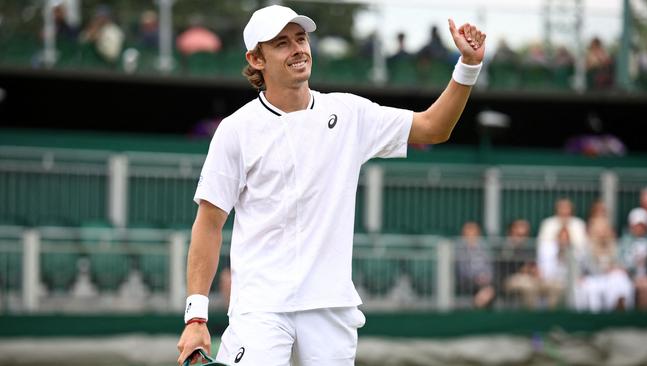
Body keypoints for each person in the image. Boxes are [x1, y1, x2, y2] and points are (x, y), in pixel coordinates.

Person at [176, 5, 486, 365]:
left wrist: (469, 66)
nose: (297, 49)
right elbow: (209, 224)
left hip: (331, 307)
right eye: (281, 43)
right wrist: (196, 317)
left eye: (301, 39)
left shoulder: (350, 113)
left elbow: (434, 127)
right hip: (260, 308)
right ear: (256, 59)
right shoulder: (236, 130)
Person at [500, 219, 541, 309]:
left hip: (531, 279)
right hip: (509, 280)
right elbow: (505, 268)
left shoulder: (529, 247)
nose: (521, 238)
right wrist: (522, 270)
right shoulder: (505, 247)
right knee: (529, 286)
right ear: (511, 232)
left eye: (524, 235)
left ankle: (551, 318)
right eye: (518, 235)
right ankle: (531, 317)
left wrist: (534, 271)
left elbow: (534, 267)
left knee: (555, 287)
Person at [454, 221, 495, 309]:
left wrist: (487, 276)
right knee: (489, 290)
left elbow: (489, 266)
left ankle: (477, 305)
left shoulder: (484, 247)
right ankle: (477, 307)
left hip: (486, 281)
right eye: (467, 232)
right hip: (466, 281)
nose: (470, 235)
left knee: (490, 288)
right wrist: (476, 277)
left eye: (473, 232)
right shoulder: (458, 248)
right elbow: (461, 269)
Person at [619, 208, 647, 310]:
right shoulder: (624, 241)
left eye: (641, 225)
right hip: (627, 277)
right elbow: (621, 262)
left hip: (645, 278)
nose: (639, 228)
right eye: (636, 225)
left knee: (646, 287)